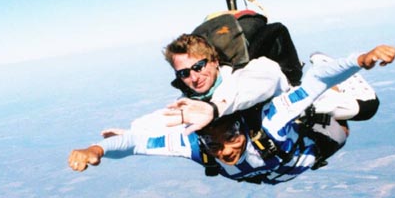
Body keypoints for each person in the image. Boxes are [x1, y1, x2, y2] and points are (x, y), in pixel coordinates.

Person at [68, 45, 395, 184]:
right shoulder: (193, 144)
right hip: (291, 161)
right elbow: (137, 143)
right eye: (214, 144)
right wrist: (96, 150)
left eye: (230, 138)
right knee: (335, 134)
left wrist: (358, 59)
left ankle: (327, 74)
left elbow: (316, 81)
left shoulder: (272, 119)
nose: (224, 150)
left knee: (362, 111)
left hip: (302, 131)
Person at [160, 31, 380, 134]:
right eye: (184, 73)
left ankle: (322, 62)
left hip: (292, 99)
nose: (194, 78)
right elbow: (159, 124)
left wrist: (215, 108)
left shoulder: (247, 75)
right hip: (270, 118)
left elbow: (255, 86)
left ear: (215, 62)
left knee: (365, 107)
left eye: (198, 67)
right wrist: (127, 139)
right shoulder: (190, 101)